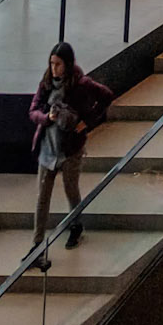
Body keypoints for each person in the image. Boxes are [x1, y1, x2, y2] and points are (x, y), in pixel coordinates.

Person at [29, 40, 113, 264]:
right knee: (42, 198)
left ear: (67, 64)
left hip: (70, 150)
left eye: (58, 64)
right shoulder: (46, 84)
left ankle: (75, 224)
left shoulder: (81, 84)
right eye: (51, 63)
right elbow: (33, 110)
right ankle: (37, 245)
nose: (54, 68)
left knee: (70, 189)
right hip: (48, 148)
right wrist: (47, 118)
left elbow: (106, 96)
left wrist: (87, 122)